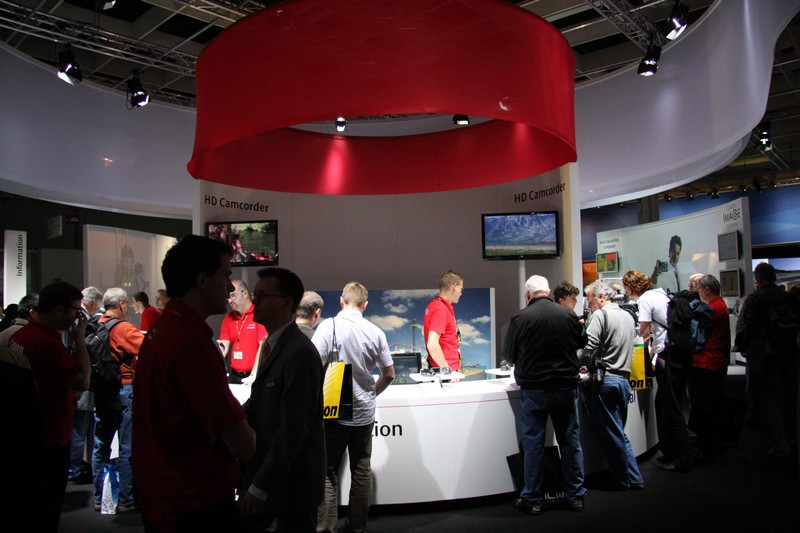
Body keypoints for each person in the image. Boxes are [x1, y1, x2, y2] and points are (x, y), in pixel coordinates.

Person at [133, 235, 255, 533]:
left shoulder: (165, 328)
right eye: (225, 275)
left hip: (165, 496)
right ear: (202, 280)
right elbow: (242, 442)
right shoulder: (190, 341)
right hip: (194, 502)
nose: (230, 288)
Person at [239, 267, 325, 532]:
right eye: (255, 295)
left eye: (263, 295)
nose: (255, 302)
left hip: (292, 485)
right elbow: (262, 403)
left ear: (288, 302)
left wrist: (259, 485)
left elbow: (293, 427)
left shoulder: (299, 352)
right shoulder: (274, 344)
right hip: (274, 476)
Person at [6, 281, 90, 532]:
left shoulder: (19, 336)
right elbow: (82, 381)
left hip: (26, 434)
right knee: (44, 509)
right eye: (77, 311)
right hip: (49, 437)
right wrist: (79, 340)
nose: (78, 317)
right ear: (59, 311)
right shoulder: (46, 344)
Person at [312, 282, 395, 533]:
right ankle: (356, 528)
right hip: (364, 411)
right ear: (365, 305)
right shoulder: (376, 332)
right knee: (361, 469)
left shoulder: (328, 326)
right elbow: (389, 374)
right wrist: (371, 393)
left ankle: (325, 528)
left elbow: (313, 365)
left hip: (335, 407)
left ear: (341, 301)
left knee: (328, 471)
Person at [502, 275, 586, 515]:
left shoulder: (520, 318)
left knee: (534, 445)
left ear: (527, 295)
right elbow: (581, 343)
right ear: (548, 292)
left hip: (534, 389)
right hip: (565, 387)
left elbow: (509, 355)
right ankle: (576, 497)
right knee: (570, 442)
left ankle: (533, 499)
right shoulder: (568, 315)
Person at [623, 269, 692, 472]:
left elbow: (644, 335)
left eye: (626, 288)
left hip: (669, 357)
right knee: (665, 404)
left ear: (632, 286)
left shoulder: (645, 299)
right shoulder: (660, 294)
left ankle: (682, 459)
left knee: (671, 408)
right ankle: (671, 453)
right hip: (677, 354)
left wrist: (639, 358)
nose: (626, 293)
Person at [578, 281, 644, 490]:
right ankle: (633, 477)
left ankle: (624, 479)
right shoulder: (628, 316)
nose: (589, 305)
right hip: (624, 380)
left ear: (600, 297)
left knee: (613, 433)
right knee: (618, 431)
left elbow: (588, 347)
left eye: (590, 300)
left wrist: (571, 362)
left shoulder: (600, 315)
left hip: (605, 380)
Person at [734, 262, 800, 457]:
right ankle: (793, 441)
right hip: (790, 353)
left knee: (771, 400)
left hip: (767, 355)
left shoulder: (756, 299)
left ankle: (781, 445)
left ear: (758, 278)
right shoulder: (788, 297)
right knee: (790, 399)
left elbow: (750, 328)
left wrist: (745, 348)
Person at [93, 288, 145, 513]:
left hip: (102, 390)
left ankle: (99, 498)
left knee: (101, 444)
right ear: (122, 305)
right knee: (126, 447)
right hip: (124, 389)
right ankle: (125, 499)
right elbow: (148, 347)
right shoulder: (123, 328)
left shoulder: (95, 325)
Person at [688, 274, 730, 463]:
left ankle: (708, 448)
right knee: (710, 407)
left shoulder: (713, 308)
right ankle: (710, 446)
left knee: (706, 408)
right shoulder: (720, 306)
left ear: (706, 290)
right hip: (712, 361)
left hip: (707, 362)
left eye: (698, 289)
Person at [68, 287, 102, 485]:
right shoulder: (82, 322)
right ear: (93, 303)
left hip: (80, 381)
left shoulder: (78, 320)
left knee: (80, 427)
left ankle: (77, 466)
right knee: (79, 427)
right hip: (82, 381)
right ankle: (75, 468)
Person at [219, 280, 267, 384]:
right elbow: (224, 346)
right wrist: (218, 363)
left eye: (233, 296)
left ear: (244, 294)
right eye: (228, 297)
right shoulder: (228, 318)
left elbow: (263, 346)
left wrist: (253, 375)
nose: (230, 301)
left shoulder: (258, 315)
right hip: (235, 374)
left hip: (255, 374)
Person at [424, 270, 463, 374]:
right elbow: (432, 345)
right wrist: (449, 372)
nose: (461, 293)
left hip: (443, 369)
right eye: (461, 289)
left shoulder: (436, 305)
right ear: (454, 287)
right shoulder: (440, 309)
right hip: (445, 374)